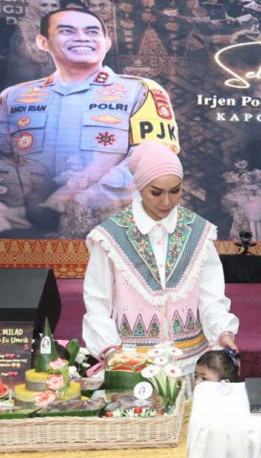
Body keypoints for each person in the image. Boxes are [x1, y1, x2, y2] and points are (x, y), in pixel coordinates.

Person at [0, 7, 179, 238]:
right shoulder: (13, 97)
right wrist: (15, 208)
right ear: (43, 42)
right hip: (23, 232)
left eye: (92, 31)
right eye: (67, 31)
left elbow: (153, 158)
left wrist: (82, 202)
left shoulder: (140, 90)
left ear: (107, 42)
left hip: (113, 231)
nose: (82, 38)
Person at [82, 141, 239, 381]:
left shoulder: (198, 231)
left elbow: (211, 296)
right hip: (131, 365)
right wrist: (110, 349)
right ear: (140, 187)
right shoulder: (111, 236)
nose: (166, 201)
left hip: (191, 365)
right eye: (156, 192)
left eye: (175, 191)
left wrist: (222, 332)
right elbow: (97, 301)